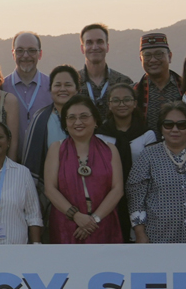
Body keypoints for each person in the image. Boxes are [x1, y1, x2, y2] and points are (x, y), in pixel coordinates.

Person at [127, 104, 186, 244]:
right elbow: (135, 199)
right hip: (158, 240)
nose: (175, 129)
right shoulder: (148, 156)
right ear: (161, 127)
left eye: (182, 125)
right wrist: (140, 234)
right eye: (168, 124)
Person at [43, 96, 125, 245]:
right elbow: (50, 189)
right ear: (65, 124)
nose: (78, 122)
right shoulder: (56, 149)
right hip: (67, 224)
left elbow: (117, 189)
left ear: (95, 121)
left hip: (102, 223)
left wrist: (94, 220)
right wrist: (76, 216)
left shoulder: (110, 149)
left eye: (84, 116)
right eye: (71, 118)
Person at [21, 65, 80, 197]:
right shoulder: (40, 119)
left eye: (68, 85)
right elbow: (31, 162)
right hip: (50, 192)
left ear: (77, 89)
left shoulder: (87, 119)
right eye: (57, 85)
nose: (62, 89)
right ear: (51, 89)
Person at [99, 82, 143, 238]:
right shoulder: (100, 135)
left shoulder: (147, 134)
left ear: (135, 103)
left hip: (140, 196)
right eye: (116, 100)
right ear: (109, 105)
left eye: (127, 100)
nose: (122, 104)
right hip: (107, 196)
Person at [131, 32, 184, 135]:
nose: (153, 60)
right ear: (141, 59)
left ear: (170, 56)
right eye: (147, 55)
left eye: (159, 54)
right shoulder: (133, 92)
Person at [78, 24, 133, 113]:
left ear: (107, 47)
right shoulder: (73, 83)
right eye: (89, 43)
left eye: (100, 42)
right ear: (82, 48)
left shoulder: (123, 82)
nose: (95, 47)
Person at [3, 32, 52, 130]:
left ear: (40, 54)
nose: (25, 55)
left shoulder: (52, 87)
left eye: (32, 50)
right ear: (13, 54)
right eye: (20, 51)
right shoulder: (2, 88)